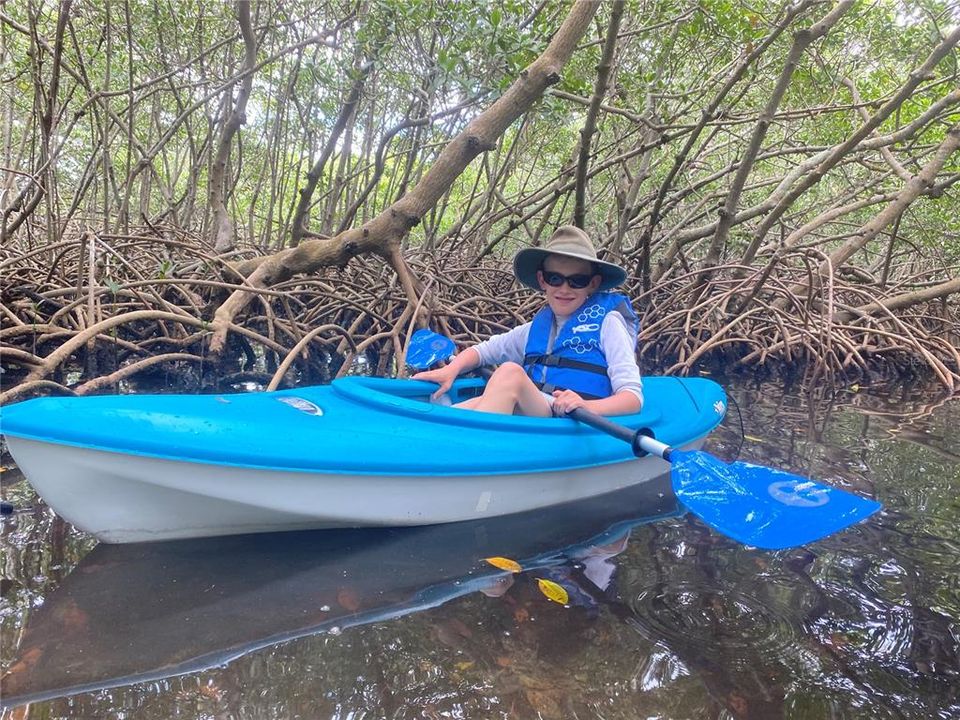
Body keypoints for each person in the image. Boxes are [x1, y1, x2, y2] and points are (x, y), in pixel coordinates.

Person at [413, 225, 642, 417]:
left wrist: (586, 406)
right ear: (543, 280)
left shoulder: (609, 324)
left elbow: (632, 398)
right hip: (542, 410)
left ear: (593, 283)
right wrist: (451, 369)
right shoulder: (534, 330)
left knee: (510, 373)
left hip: (575, 420)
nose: (564, 289)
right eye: (555, 279)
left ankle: (477, 454)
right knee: (460, 411)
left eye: (577, 281)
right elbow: (483, 351)